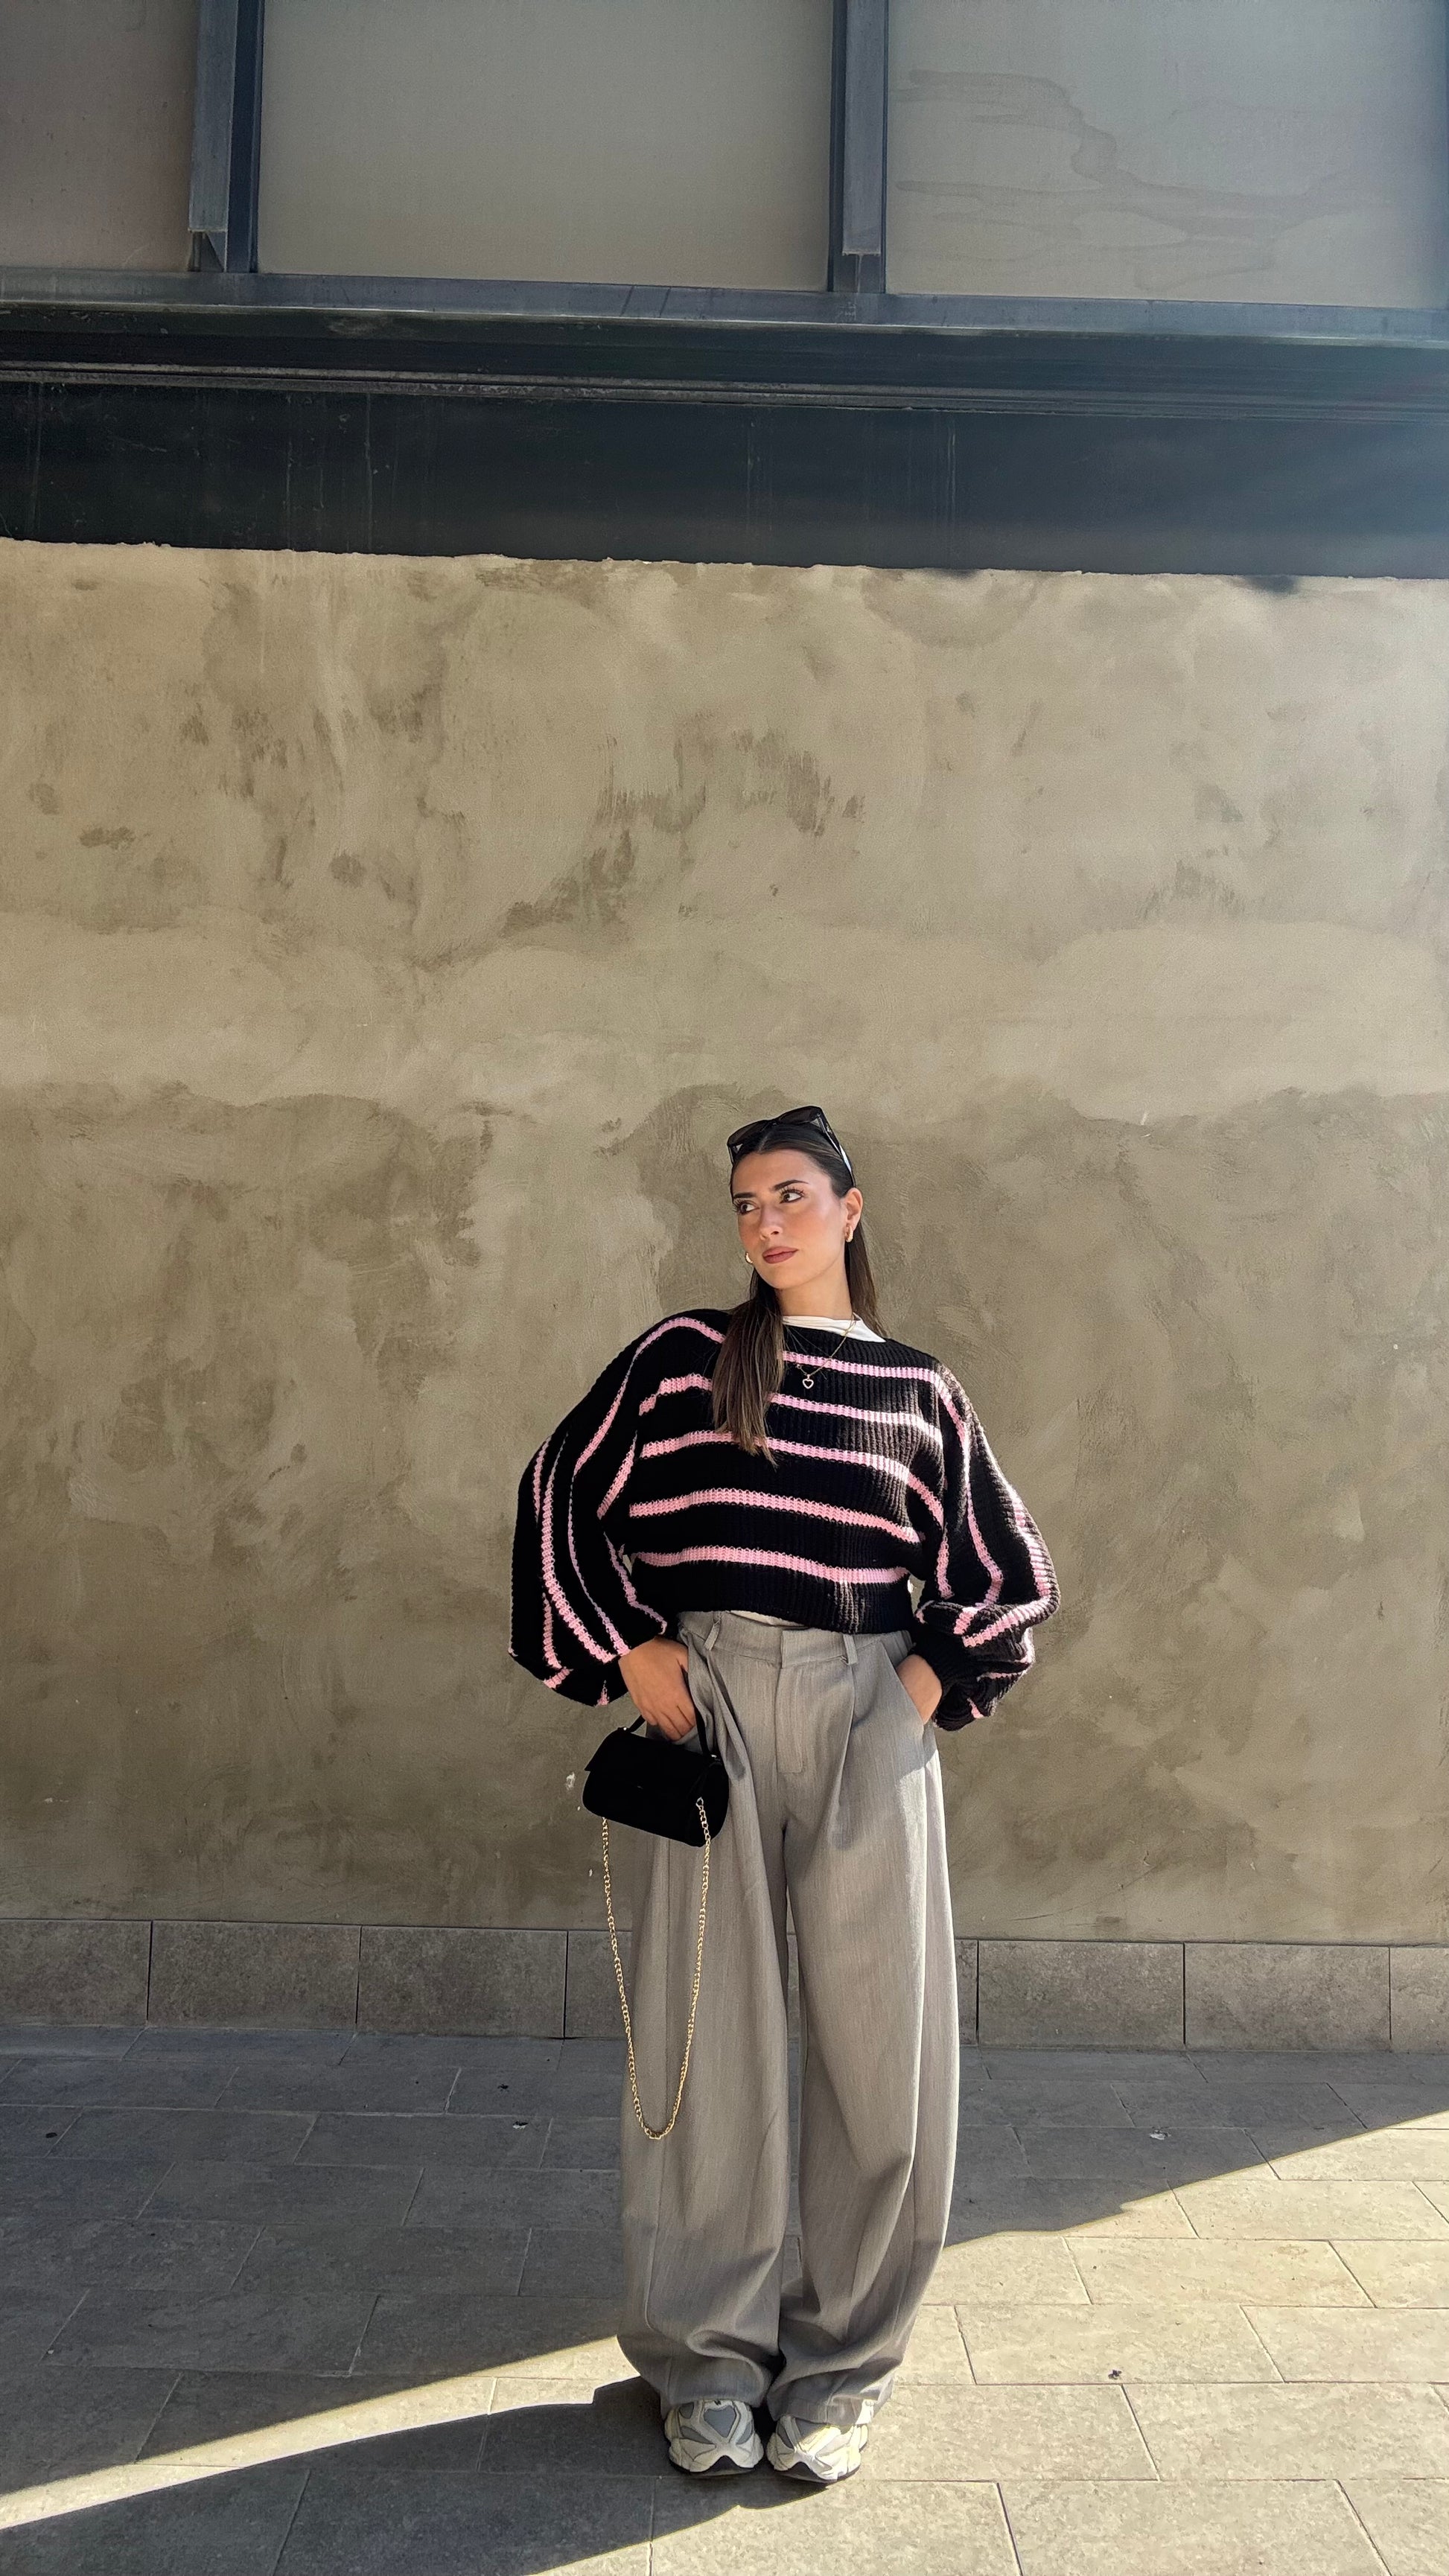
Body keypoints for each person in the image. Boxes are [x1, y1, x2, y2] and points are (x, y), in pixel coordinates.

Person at [510, 1106, 1059, 2484]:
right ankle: (705, 2364)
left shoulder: (918, 1391)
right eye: (748, 1203)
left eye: (793, 1197)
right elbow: (557, 1492)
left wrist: (911, 1697)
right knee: (703, 2046)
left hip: (870, 1708)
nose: (767, 1223)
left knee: (883, 2052)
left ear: (850, 1211)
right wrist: (629, 1650)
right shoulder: (681, 1359)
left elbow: (1007, 1571)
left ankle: (841, 2364)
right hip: (706, 1708)